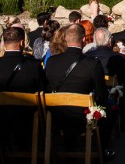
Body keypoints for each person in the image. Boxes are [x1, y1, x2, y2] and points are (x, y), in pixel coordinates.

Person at [45, 23, 115, 159]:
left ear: (65, 39)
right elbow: (101, 94)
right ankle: (104, 148)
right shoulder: (92, 64)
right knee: (110, 107)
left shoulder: (52, 61)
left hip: (56, 115)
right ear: (84, 40)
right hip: (82, 116)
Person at [85, 27, 125, 131]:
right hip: (110, 91)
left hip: (92, 91)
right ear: (110, 41)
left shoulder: (86, 56)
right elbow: (124, 79)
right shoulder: (119, 57)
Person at [0, 26, 47, 92]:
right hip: (26, 101)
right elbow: (44, 89)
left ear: (4, 43)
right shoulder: (34, 66)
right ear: (22, 43)